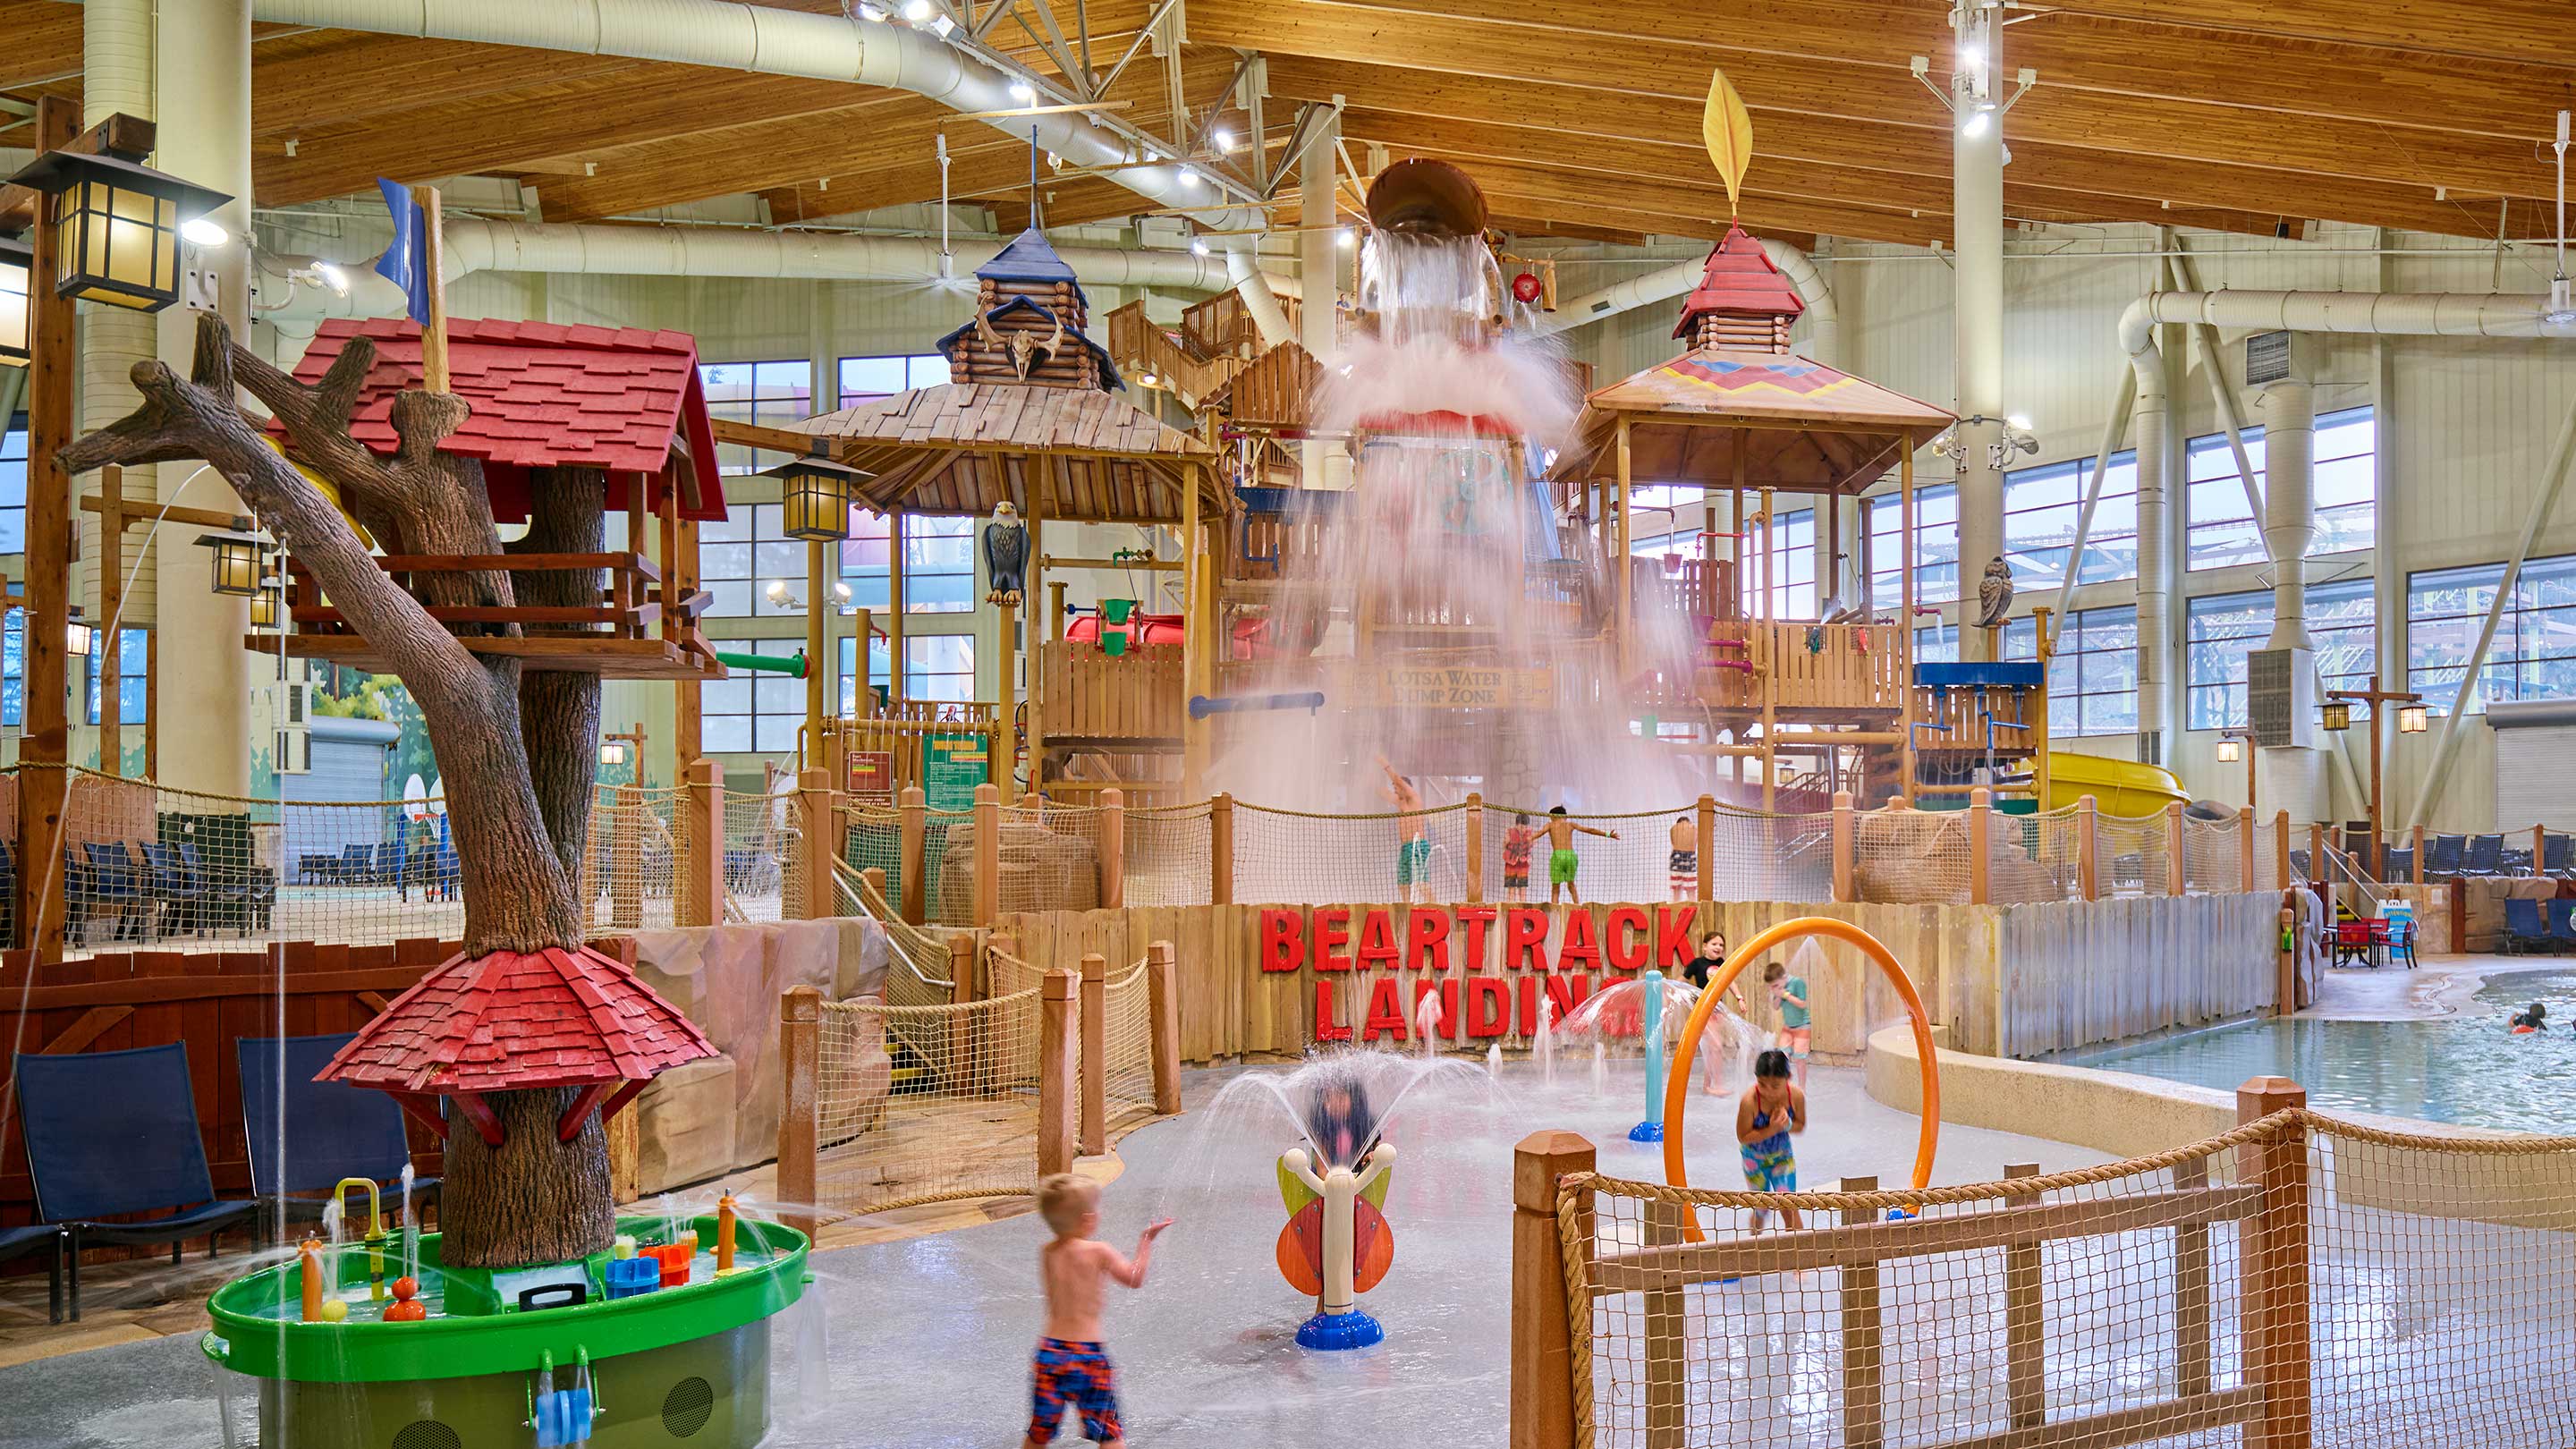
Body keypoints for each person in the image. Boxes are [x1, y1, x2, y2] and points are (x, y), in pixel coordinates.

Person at [1024, 1174, 1171, 1449]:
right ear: (1088, 1219)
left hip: (1050, 1353)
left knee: (1039, 1432)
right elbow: (1134, 1278)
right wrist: (1146, 1241)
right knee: (1108, 1433)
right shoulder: (1099, 1251)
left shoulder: (1047, 1252)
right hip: (1087, 1355)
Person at [1735, 1048, 1806, 1233]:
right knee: (1761, 1208)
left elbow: (1800, 1126)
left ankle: (1799, 1250)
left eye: (1775, 1086)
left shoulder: (1796, 1096)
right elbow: (1743, 1136)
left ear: (1788, 1078)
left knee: (1789, 1206)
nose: (1768, 1092)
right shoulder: (1749, 1101)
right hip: (1754, 1161)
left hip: (1782, 1157)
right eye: (1762, 1084)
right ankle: (1755, 1245)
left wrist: (1787, 1124)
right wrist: (1772, 1129)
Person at [1684, 932, 1746, 1094]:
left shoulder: (1721, 963)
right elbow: (1681, 981)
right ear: (1705, 946)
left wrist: (1739, 998)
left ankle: (1707, 1086)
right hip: (1702, 1011)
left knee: (1711, 1048)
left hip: (1717, 1011)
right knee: (1716, 1047)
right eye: (1714, 944)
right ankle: (1717, 1085)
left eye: (1721, 945)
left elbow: (1730, 981)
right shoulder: (1697, 964)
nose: (1718, 947)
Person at [1544, 804, 1620, 907]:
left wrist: (1528, 839)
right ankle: (1578, 907)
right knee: (1571, 884)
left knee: (1555, 888)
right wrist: (1607, 834)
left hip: (1558, 856)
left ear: (1554, 817)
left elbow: (1538, 834)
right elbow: (1590, 830)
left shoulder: (1550, 825)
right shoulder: (1570, 824)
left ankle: (1555, 910)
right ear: (1565, 816)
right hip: (1570, 856)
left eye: (1551, 818)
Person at [1378, 758, 1431, 904]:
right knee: (1402, 884)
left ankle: (1436, 909)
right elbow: (1383, 793)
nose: (1394, 789)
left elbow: (1397, 779)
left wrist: (1385, 765)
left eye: (1396, 787)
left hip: (1418, 846)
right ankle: (1407, 910)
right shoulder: (1400, 802)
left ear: (1405, 788)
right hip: (1405, 848)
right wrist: (1368, 778)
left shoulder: (1414, 799)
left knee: (1422, 884)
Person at [1764, 960, 1811, 1087]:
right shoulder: (1778, 988)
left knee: (1799, 1059)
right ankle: (1785, 1085)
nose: (1774, 988)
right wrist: (1778, 995)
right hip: (1787, 1028)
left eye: (1775, 985)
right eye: (1771, 987)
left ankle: (1802, 1088)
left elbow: (1802, 1004)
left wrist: (1785, 994)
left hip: (1802, 1026)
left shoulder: (1797, 983)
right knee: (1782, 1056)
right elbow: (1775, 1007)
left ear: (1784, 977)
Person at [1501, 812, 1539, 902]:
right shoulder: (1510, 832)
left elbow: (1533, 844)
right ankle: (1510, 906)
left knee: (1522, 890)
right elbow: (1504, 845)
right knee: (1511, 889)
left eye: (1525, 827)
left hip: (1523, 865)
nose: (1523, 829)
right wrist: (1506, 841)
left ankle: (1522, 907)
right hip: (1511, 864)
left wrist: (1531, 840)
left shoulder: (1530, 834)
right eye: (1521, 827)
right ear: (1516, 825)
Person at [1667, 813, 1699, 902]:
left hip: (1676, 857)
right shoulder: (1694, 828)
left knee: (1676, 890)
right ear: (1689, 822)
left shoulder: (1673, 828)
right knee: (1691, 890)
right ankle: (1694, 907)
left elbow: (1673, 842)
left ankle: (1675, 907)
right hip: (1690, 857)